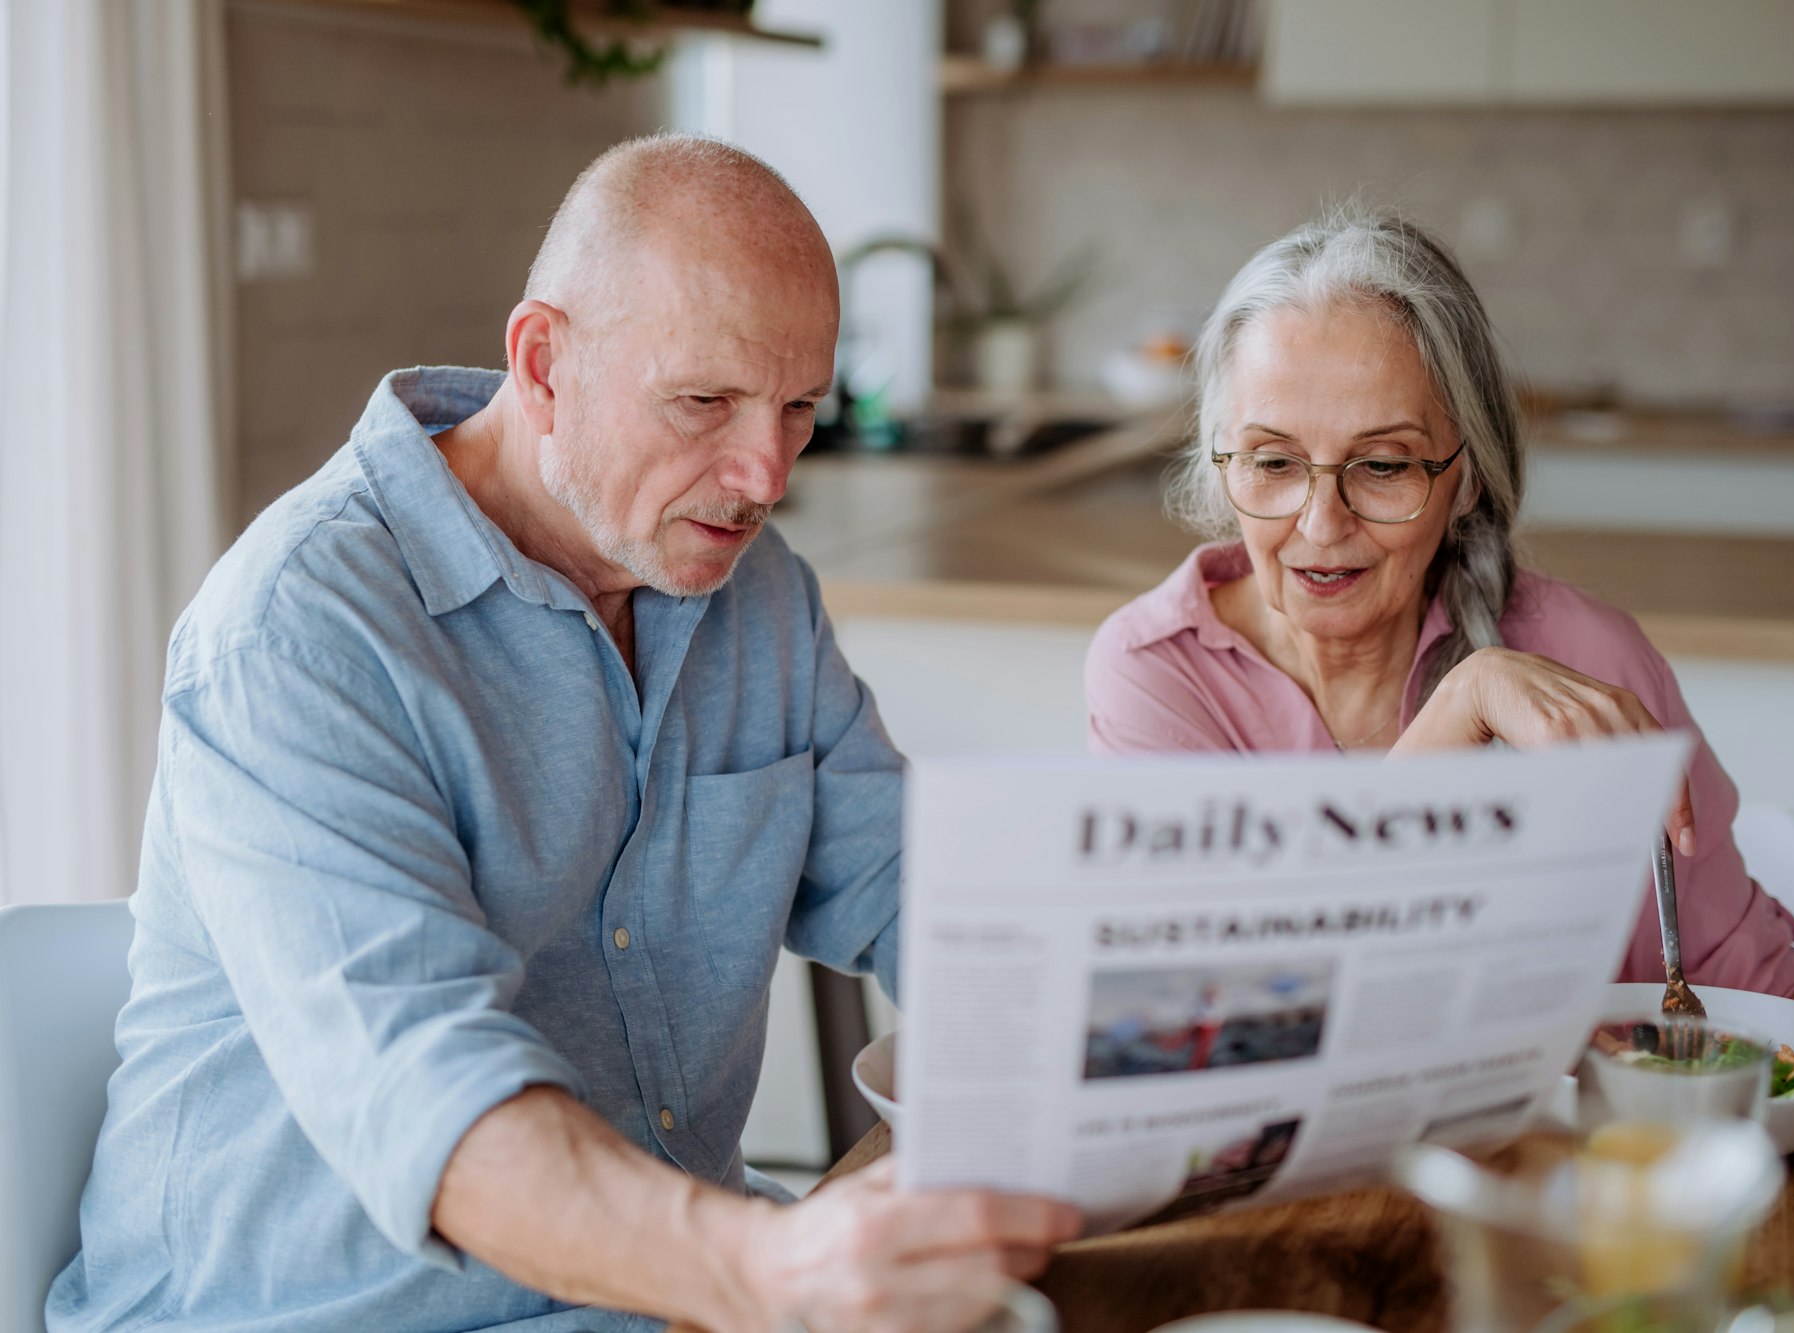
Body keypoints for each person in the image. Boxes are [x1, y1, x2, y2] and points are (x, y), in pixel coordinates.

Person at [49, 133, 1079, 1333]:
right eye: (704, 402)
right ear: (542, 364)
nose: (763, 472)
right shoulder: (299, 632)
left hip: (666, 1301)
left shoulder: (750, 590)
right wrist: (764, 1267)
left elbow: (925, 894)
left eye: (799, 409)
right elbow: (429, 1098)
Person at [1084, 206, 1794, 1102]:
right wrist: (1457, 712)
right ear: (1219, 465)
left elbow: (1738, 983)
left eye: (1386, 464)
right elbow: (1213, 1024)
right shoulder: (1160, 671)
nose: (1322, 526)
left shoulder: (1584, 653)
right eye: (1273, 462)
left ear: (1466, 473)